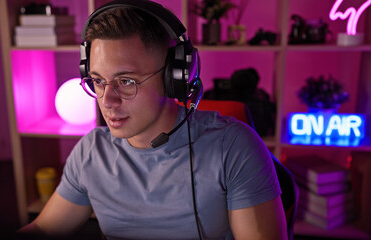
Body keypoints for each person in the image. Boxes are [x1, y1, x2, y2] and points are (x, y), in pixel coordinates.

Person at [18, 0, 287, 239]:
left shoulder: (233, 147)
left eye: (126, 81)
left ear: (174, 79)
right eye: (98, 81)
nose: (106, 101)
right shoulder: (91, 151)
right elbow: (43, 229)